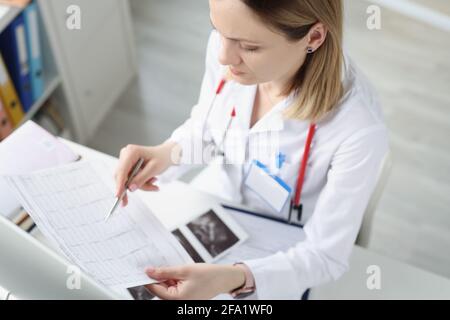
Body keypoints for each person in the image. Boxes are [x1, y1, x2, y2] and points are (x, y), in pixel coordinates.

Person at [114, 0, 389, 300]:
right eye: (217, 30)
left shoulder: (358, 129)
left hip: (286, 243)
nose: (223, 56)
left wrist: (235, 279)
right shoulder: (228, 47)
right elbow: (207, 130)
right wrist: (167, 154)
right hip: (220, 198)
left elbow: (325, 255)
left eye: (250, 47)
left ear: (313, 37)